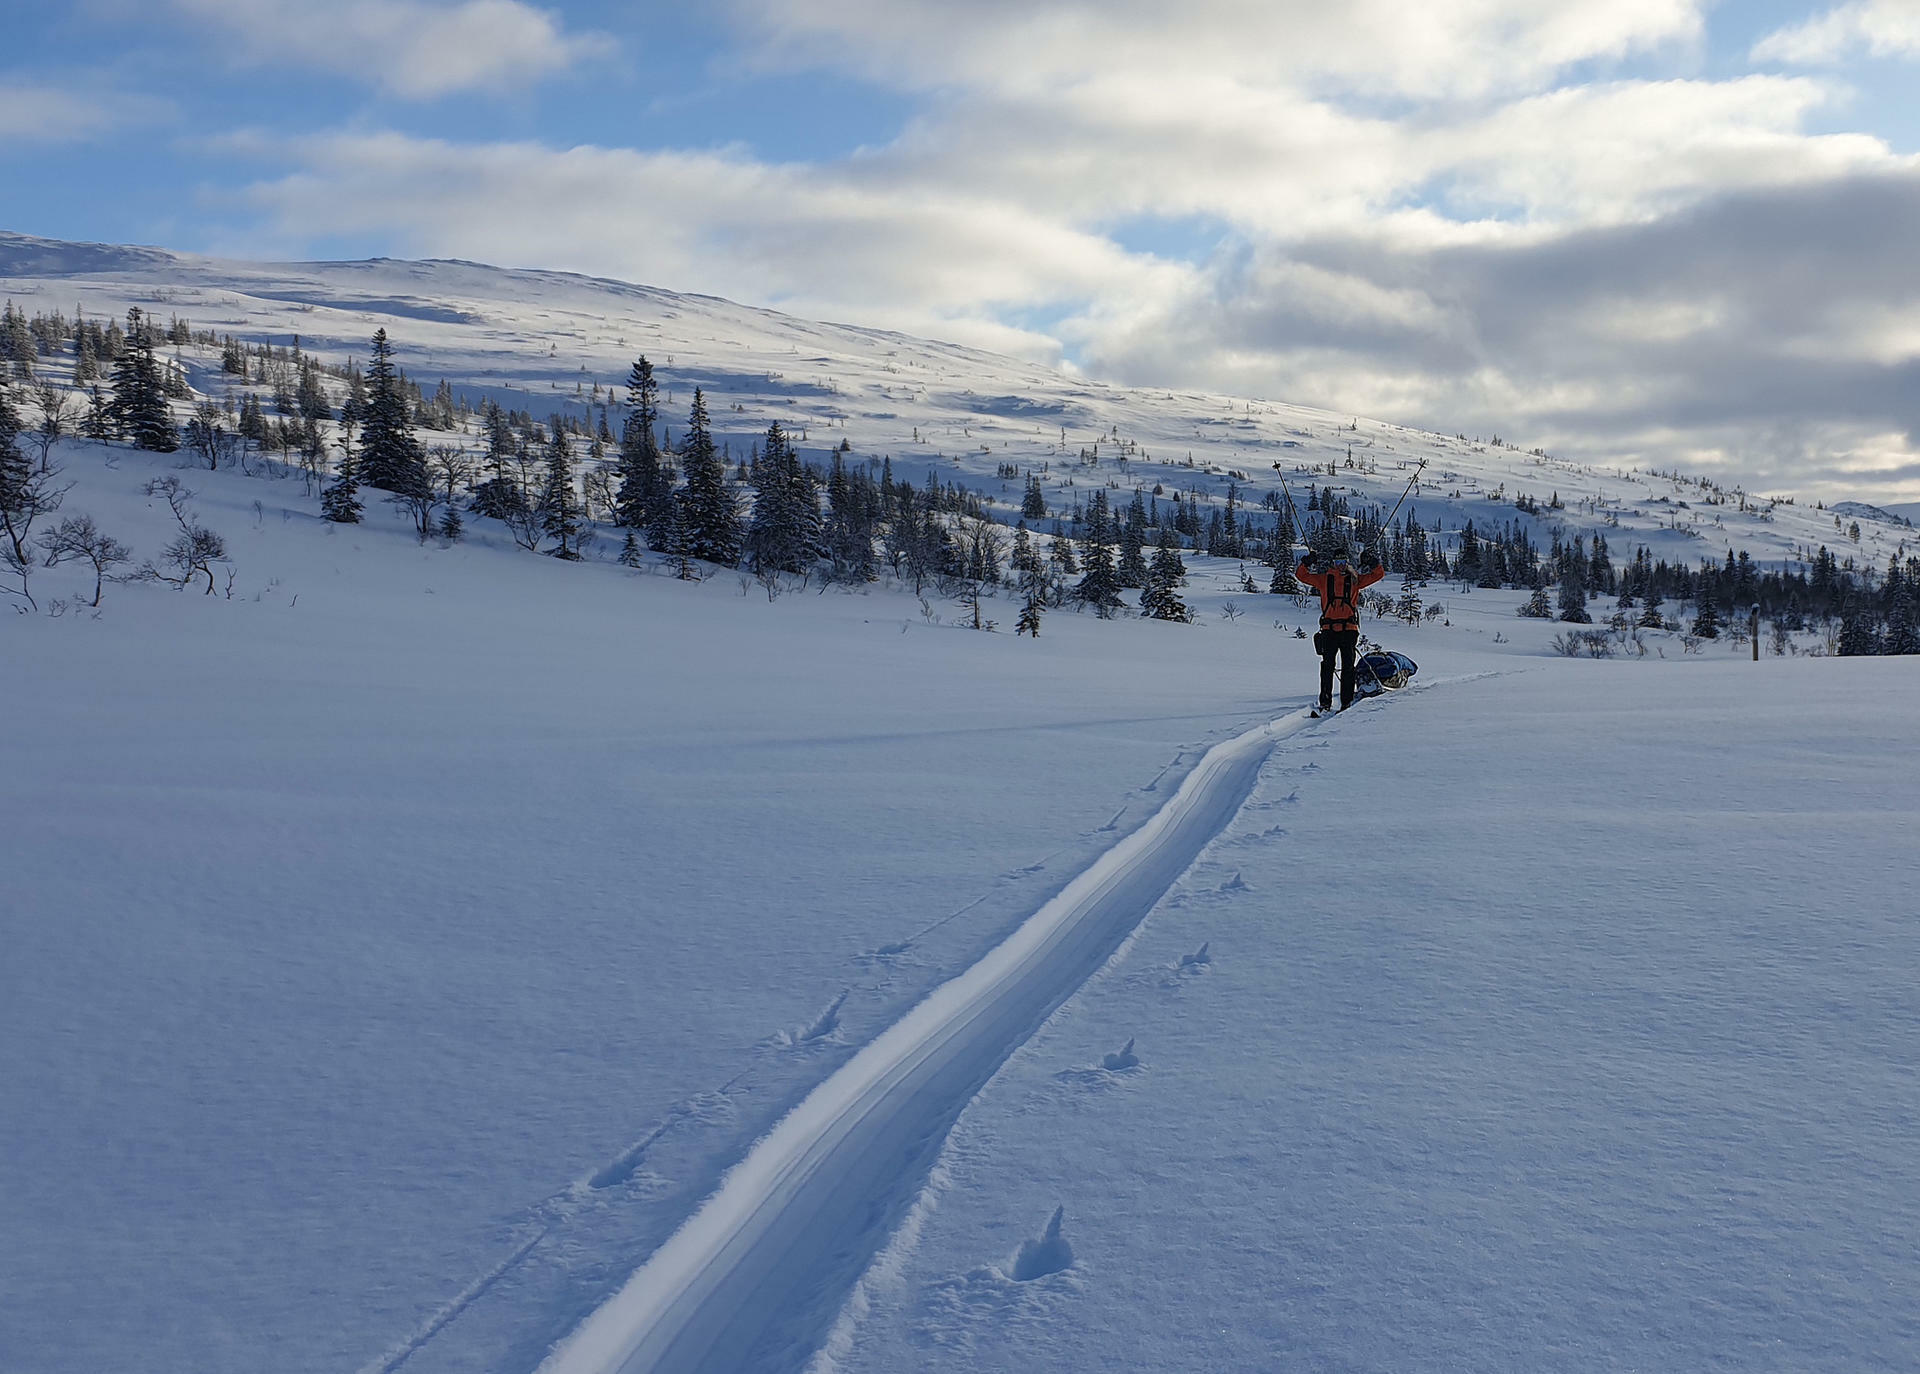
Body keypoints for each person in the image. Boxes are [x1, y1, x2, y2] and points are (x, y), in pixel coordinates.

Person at [1294, 539, 1385, 712]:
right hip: (1329, 630)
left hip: (1348, 630)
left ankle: (1346, 702)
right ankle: (1325, 702)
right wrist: (1307, 562)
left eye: (1343, 561)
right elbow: (1301, 575)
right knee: (1327, 667)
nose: (1341, 565)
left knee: (1348, 667)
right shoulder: (1324, 579)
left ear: (1347, 562)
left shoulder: (1355, 579)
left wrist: (1371, 562)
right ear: (1333, 563)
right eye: (1338, 562)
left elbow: (1378, 574)